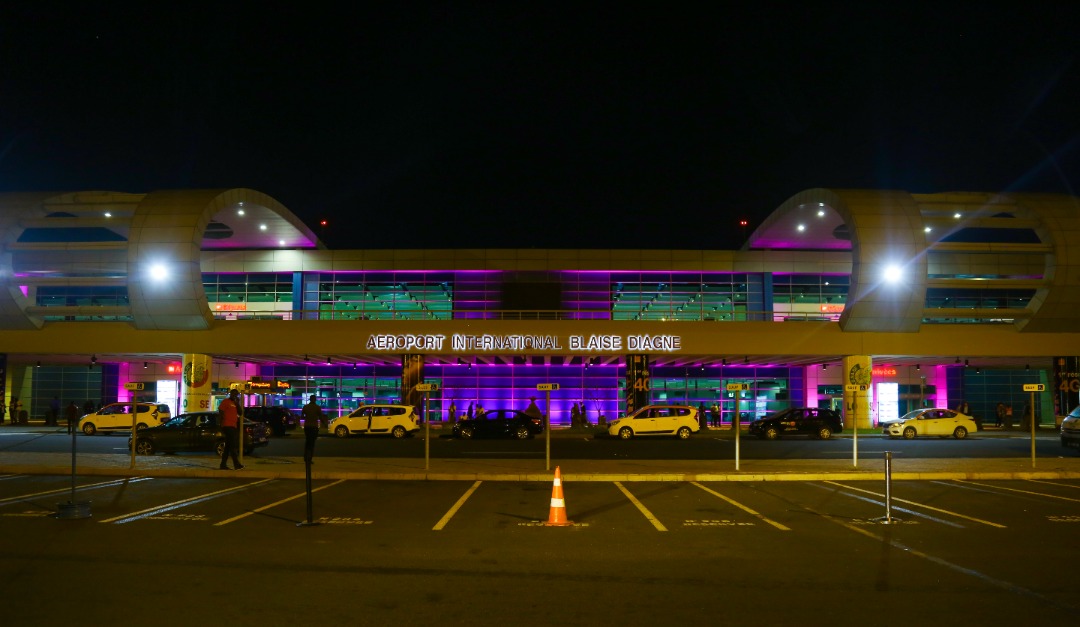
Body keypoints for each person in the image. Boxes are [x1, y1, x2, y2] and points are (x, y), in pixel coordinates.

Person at [217, 389, 244, 470]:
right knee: (232, 446)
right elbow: (220, 412)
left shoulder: (235, 404)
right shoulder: (226, 401)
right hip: (227, 426)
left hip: (233, 426)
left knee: (228, 447)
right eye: (233, 394)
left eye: (236, 394)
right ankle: (236, 464)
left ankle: (223, 465)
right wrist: (220, 425)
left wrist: (237, 403)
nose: (235, 396)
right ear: (230, 394)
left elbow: (240, 413)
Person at [302, 394, 322, 464]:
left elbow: (302, 416)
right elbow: (320, 416)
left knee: (307, 442)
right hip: (314, 427)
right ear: (315, 399)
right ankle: (309, 458)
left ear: (310, 399)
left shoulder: (305, 407)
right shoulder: (317, 407)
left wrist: (307, 417)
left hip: (307, 426)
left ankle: (305, 457)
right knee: (312, 443)